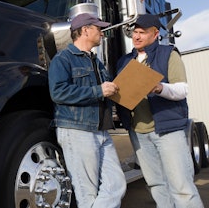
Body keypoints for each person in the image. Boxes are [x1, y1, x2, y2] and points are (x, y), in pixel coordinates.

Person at [116, 14, 204, 208]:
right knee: (156, 184)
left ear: (155, 35)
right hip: (138, 133)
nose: (137, 36)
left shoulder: (169, 54)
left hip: (167, 130)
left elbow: (182, 90)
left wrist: (159, 88)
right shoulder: (123, 62)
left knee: (181, 186)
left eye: (142, 32)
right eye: (135, 32)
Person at [48, 13, 126, 208]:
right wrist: (99, 90)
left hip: (101, 130)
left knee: (117, 183)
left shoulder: (97, 63)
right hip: (77, 131)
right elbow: (58, 93)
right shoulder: (63, 59)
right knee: (87, 194)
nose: (102, 32)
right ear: (85, 30)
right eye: (98, 28)